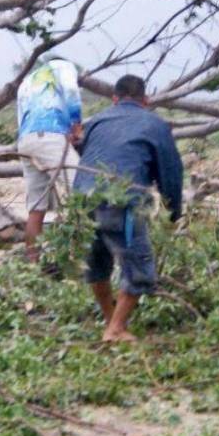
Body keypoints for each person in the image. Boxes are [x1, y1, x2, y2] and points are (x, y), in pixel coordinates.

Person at [73, 75, 183, 343]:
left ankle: (111, 320)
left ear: (115, 99)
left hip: (82, 200)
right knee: (139, 267)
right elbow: (171, 171)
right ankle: (116, 328)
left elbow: (89, 154)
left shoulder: (98, 119)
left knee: (96, 265)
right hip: (121, 202)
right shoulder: (155, 124)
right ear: (146, 101)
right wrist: (173, 209)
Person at [15, 56, 82, 262]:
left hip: (26, 140)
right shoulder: (65, 66)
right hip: (51, 134)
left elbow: (21, 116)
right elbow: (71, 91)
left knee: (36, 208)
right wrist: (76, 125)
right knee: (81, 194)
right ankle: (81, 259)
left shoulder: (27, 81)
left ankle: (31, 268)